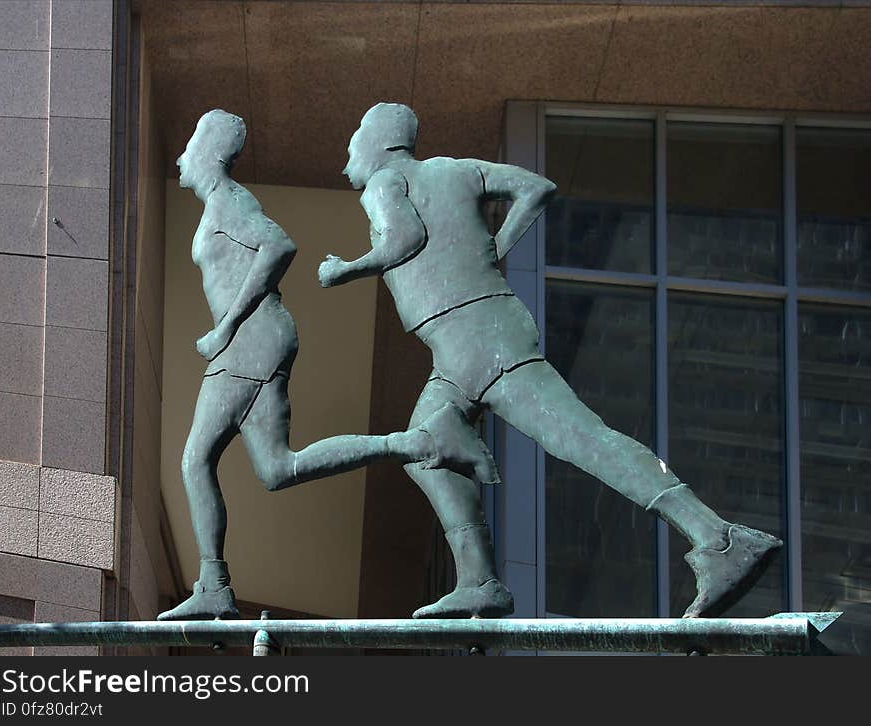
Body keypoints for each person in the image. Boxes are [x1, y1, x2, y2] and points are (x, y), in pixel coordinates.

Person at [318, 102, 783, 619]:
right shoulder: (456, 169)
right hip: (465, 342)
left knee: (577, 435)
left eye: (351, 144)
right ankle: (478, 581)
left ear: (379, 143)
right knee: (428, 453)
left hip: (475, 336)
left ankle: (718, 538)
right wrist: (493, 249)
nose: (346, 161)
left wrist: (347, 269)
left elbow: (405, 238)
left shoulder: (386, 182)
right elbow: (536, 186)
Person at [158, 109, 500, 621]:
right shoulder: (219, 205)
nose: (181, 158)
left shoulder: (229, 201)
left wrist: (227, 324)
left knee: (194, 459)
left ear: (208, 154)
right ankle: (415, 442)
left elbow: (279, 245)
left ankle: (213, 584)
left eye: (190, 146)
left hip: (249, 343)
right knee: (276, 468)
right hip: (256, 343)